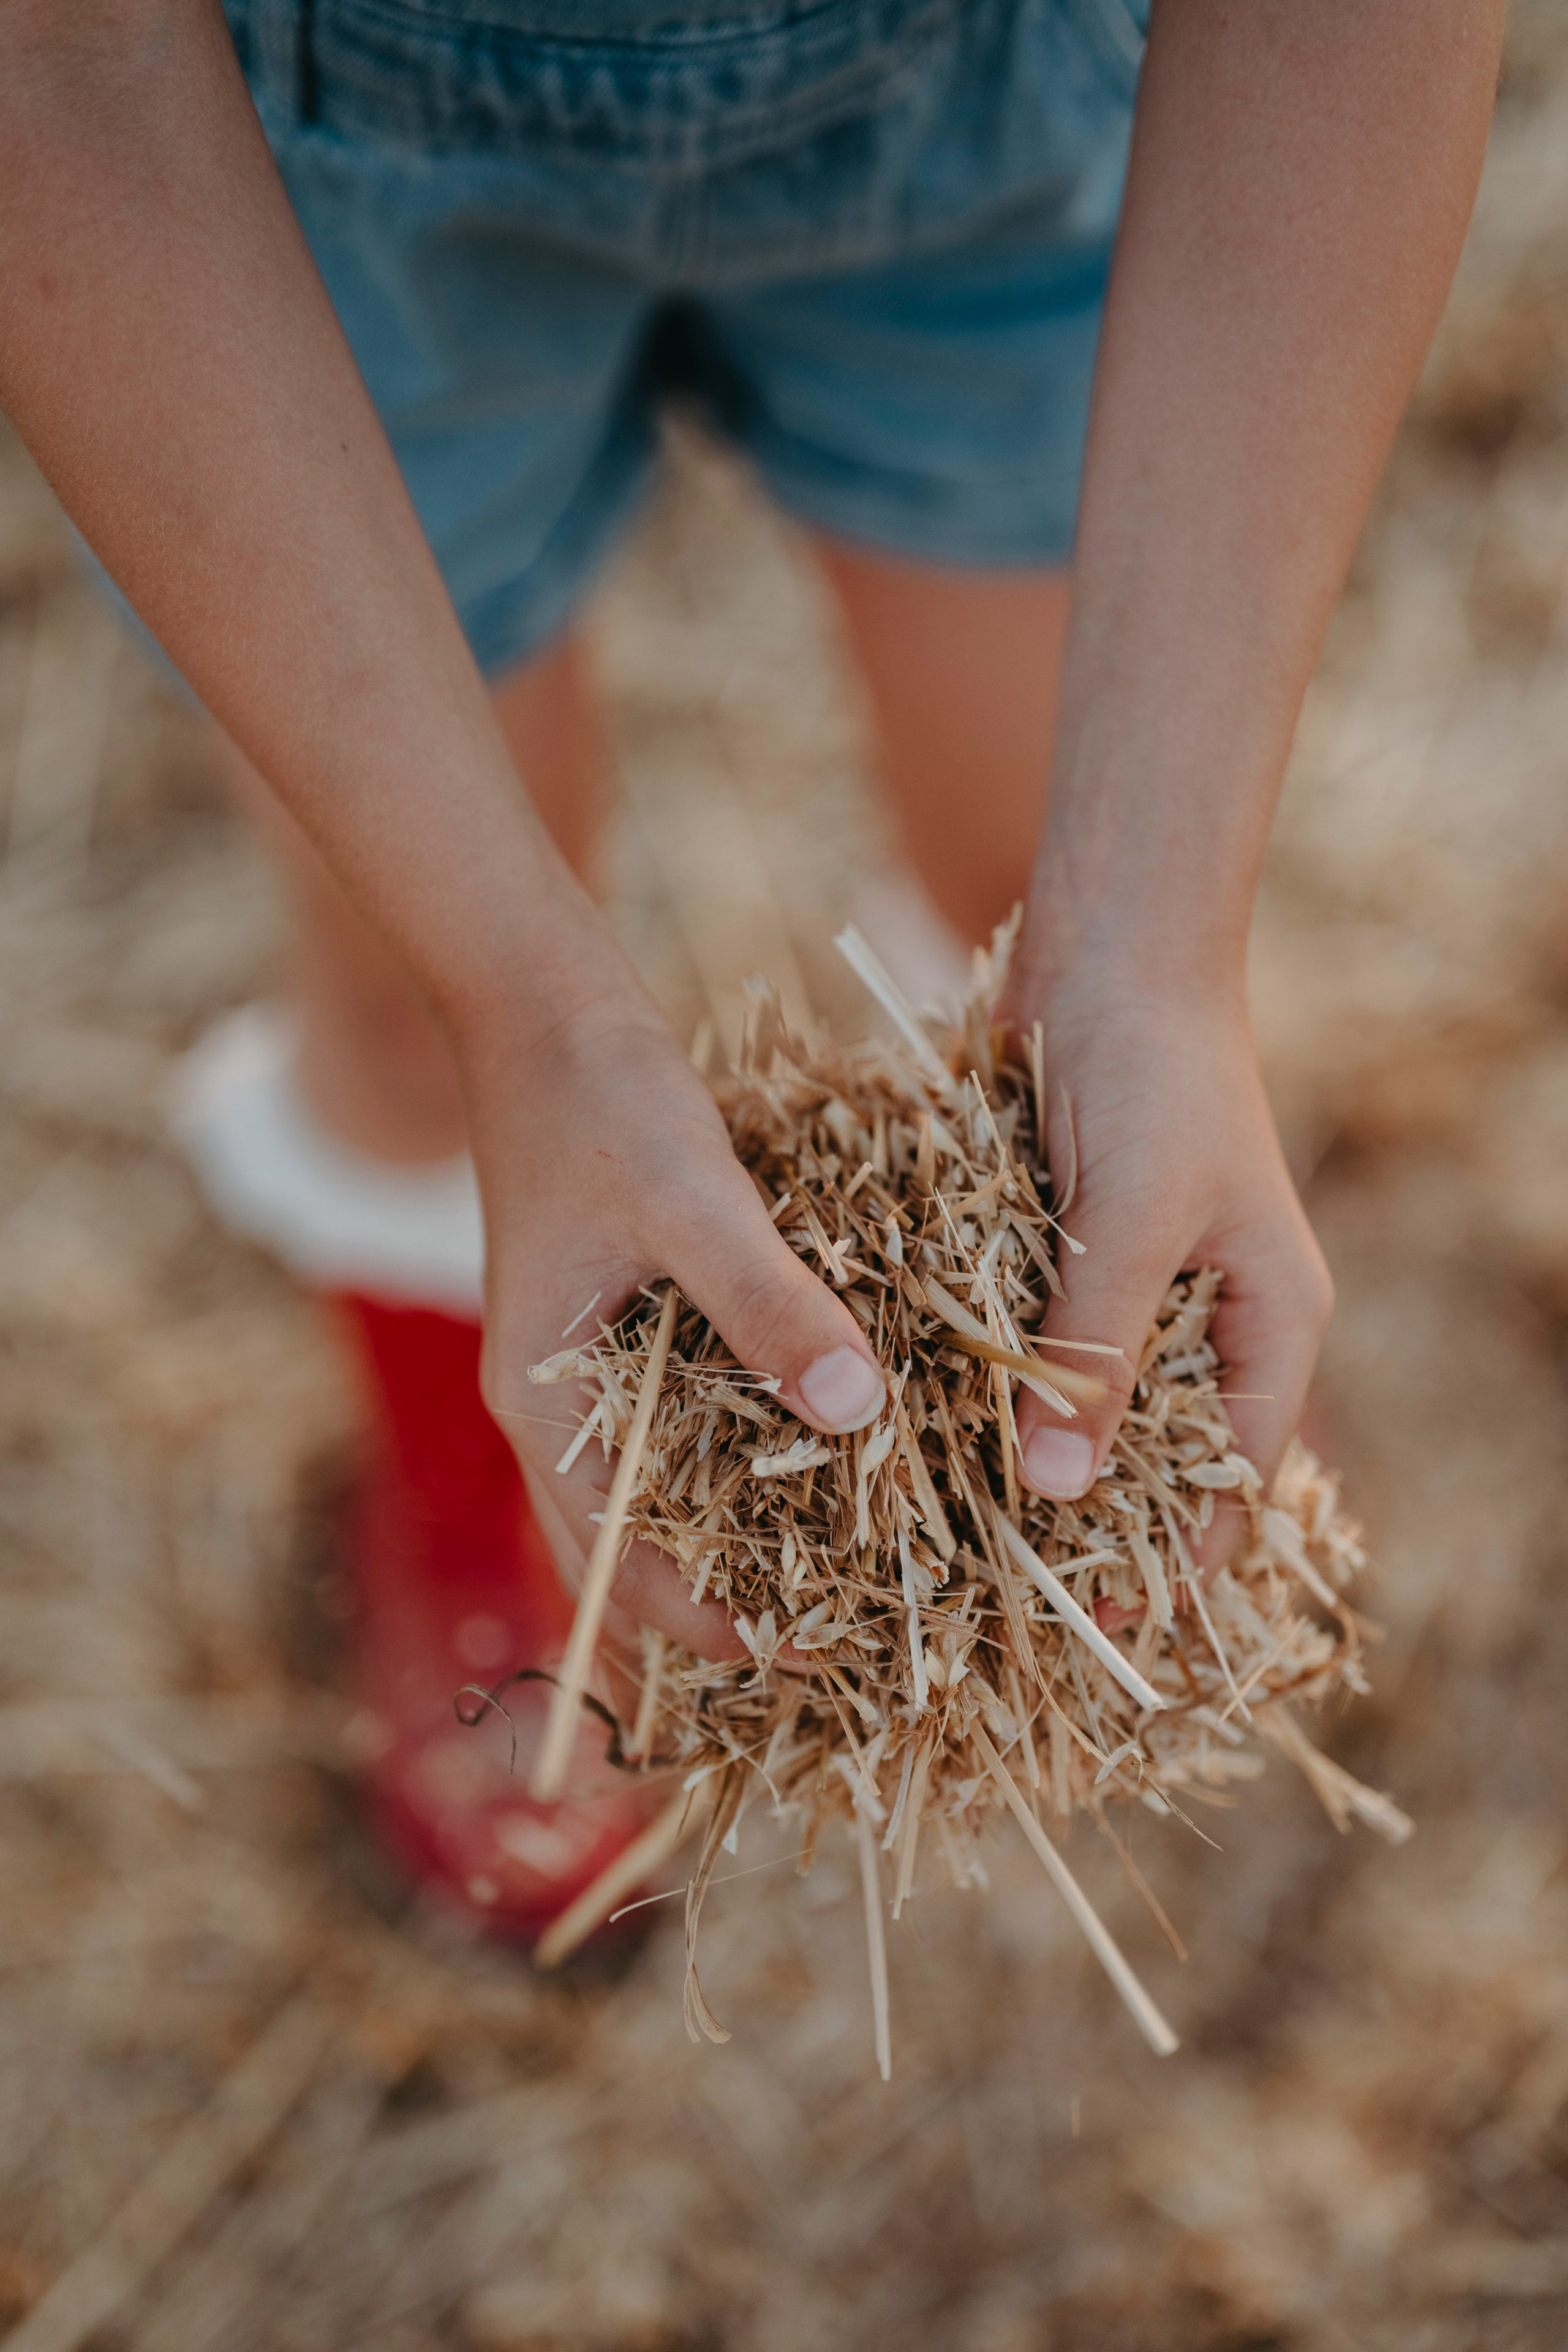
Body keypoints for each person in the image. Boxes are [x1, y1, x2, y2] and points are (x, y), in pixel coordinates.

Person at [0, 0, 1504, 1939]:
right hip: (290, 201)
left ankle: (1101, 1402)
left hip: (983, 116)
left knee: (1031, 861)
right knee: (405, 999)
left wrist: (1163, 939)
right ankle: (481, 1467)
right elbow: (60, 61)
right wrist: (523, 1019)